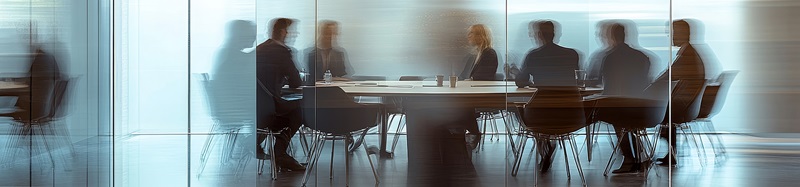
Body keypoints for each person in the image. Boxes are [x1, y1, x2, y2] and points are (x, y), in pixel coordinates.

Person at [515, 20, 581, 173]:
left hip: (541, 115)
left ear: (539, 35)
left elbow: (520, 81)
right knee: (545, 112)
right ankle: (547, 144)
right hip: (570, 115)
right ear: (556, 34)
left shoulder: (534, 55)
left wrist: (520, 74)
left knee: (522, 110)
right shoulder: (572, 54)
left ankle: (545, 146)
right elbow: (578, 77)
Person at [592, 21, 655, 173]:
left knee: (609, 113)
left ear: (610, 36)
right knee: (625, 117)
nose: (601, 38)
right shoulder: (643, 56)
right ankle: (639, 156)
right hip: (644, 109)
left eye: (603, 35)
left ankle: (629, 159)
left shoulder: (609, 57)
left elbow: (604, 85)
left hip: (623, 110)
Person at [654, 19, 711, 166]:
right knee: (663, 109)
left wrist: (649, 86)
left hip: (684, 107)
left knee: (652, 110)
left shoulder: (687, 56)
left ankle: (638, 156)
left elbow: (668, 75)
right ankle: (670, 152)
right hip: (688, 106)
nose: (670, 36)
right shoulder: (690, 52)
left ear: (683, 34)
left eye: (673, 33)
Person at [255, 18, 305, 171]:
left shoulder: (259, 48)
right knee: (302, 109)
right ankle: (280, 152)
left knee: (289, 107)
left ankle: (257, 141)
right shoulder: (282, 52)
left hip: (255, 109)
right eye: (292, 31)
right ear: (283, 32)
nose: (294, 35)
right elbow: (296, 82)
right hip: (271, 109)